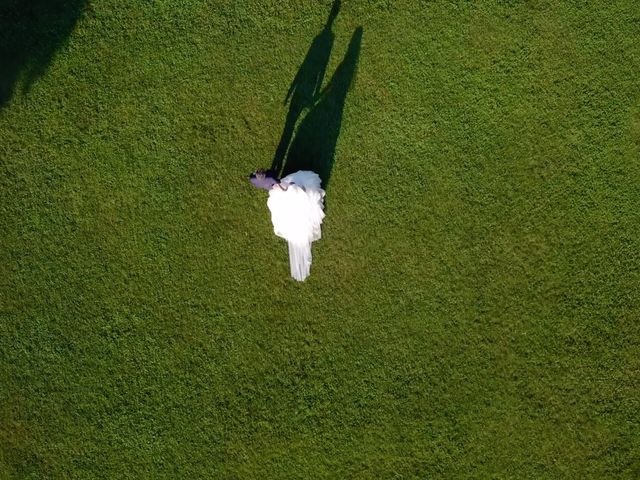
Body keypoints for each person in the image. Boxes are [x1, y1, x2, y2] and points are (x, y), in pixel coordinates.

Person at [249, 170, 325, 281]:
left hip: (284, 194)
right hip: (289, 194)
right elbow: (284, 189)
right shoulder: (280, 187)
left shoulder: (270, 185)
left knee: (287, 190)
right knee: (296, 190)